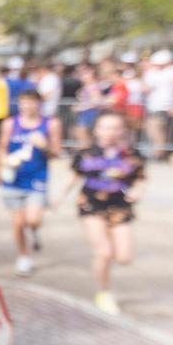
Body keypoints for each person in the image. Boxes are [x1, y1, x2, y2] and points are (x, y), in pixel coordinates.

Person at [56, 112, 146, 315]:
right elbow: (74, 176)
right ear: (96, 130)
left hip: (120, 205)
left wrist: (138, 190)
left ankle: (105, 274)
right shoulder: (86, 153)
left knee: (124, 257)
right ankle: (103, 292)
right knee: (104, 252)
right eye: (105, 127)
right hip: (91, 204)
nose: (110, 132)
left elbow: (140, 177)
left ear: (123, 130)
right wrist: (60, 195)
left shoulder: (132, 154)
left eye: (115, 127)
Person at [0, 89, 62, 276]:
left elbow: (56, 152)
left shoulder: (51, 123)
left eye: (32, 102)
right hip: (14, 178)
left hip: (37, 178)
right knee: (18, 222)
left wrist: (45, 146)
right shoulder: (10, 123)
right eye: (23, 102)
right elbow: (2, 148)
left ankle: (34, 231)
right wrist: (6, 161)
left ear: (39, 104)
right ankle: (23, 256)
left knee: (32, 220)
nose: (27, 106)